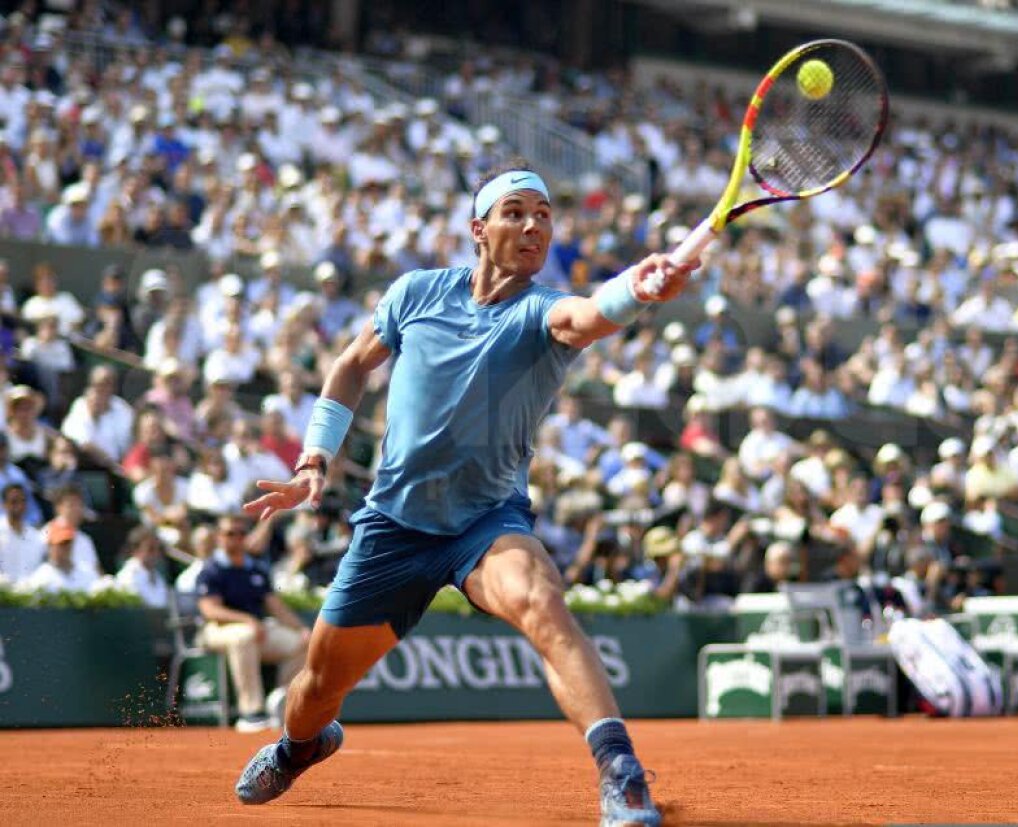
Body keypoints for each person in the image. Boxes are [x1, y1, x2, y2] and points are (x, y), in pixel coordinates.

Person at [235, 163, 695, 825]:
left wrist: (637, 288)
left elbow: (589, 313)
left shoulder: (542, 312)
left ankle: (621, 773)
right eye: (515, 212)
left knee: (541, 601)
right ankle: (300, 746)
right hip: (393, 526)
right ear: (479, 229)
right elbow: (349, 366)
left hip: (484, 522)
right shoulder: (416, 293)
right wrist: (314, 459)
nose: (533, 224)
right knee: (314, 690)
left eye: (543, 214)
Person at [197, 513, 311, 733]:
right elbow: (209, 610)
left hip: (257, 630)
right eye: (230, 533)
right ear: (219, 537)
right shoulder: (211, 569)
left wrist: (302, 629)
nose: (237, 538)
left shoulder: (256, 568)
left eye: (241, 533)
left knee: (302, 642)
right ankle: (251, 712)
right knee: (244, 636)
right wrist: (247, 620)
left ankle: (281, 699)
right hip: (217, 631)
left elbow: (276, 607)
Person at [22, 518, 98, 593]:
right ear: (50, 546)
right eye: (61, 543)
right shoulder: (40, 579)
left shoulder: (87, 572)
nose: (65, 548)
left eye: (68, 543)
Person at [115, 526, 168, 608]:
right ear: (135, 550)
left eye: (158, 549)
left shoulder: (158, 577)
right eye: (150, 549)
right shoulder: (127, 577)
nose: (156, 554)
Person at [0, 482, 43, 581]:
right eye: (14, 502)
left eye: (22, 501)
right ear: (4, 505)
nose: (19, 506)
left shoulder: (35, 536)